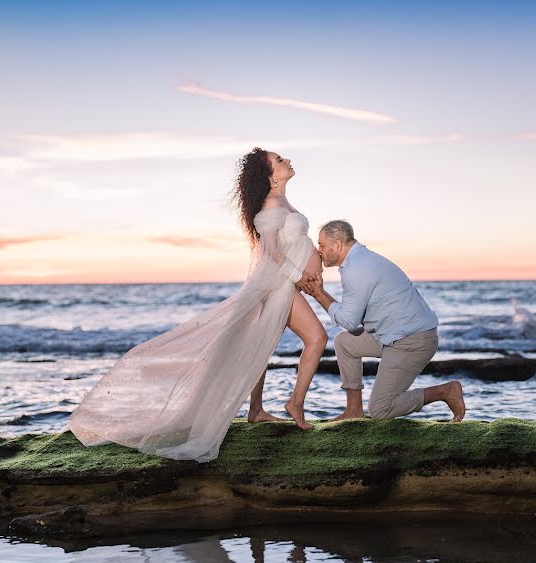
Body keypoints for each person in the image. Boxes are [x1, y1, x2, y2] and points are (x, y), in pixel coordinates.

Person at [67, 148, 326, 462]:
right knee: (316, 338)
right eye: (279, 160)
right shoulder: (272, 204)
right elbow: (272, 252)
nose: (287, 160)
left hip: (281, 285)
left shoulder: (282, 201)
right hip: (277, 285)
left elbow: (292, 244)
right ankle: (294, 404)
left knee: (260, 344)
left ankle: (256, 410)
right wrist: (299, 276)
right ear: (270, 176)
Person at [300, 220, 466, 422]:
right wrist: (320, 293)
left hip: (412, 342)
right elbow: (352, 319)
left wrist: (319, 294)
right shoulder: (359, 261)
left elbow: (350, 322)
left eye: (322, 245)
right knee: (344, 343)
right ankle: (354, 410)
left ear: (337, 245)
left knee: (380, 410)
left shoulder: (357, 269)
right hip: (392, 336)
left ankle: (445, 391)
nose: (319, 251)